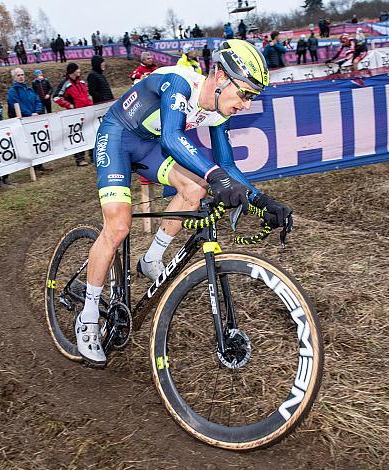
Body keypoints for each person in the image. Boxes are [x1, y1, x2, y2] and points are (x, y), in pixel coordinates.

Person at [76, 40, 292, 366]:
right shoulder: (180, 82)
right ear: (219, 76)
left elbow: (228, 167)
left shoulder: (218, 112)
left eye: (252, 97)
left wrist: (261, 201)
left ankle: (151, 258)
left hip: (149, 145)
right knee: (118, 226)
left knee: (196, 190)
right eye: (245, 94)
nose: (247, 104)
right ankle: (88, 315)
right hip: (118, 135)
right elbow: (173, 137)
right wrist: (217, 175)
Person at [54, 63, 93, 167]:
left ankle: (93, 156)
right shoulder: (66, 84)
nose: (79, 70)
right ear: (72, 71)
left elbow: (86, 94)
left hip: (88, 111)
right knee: (78, 135)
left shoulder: (82, 82)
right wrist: (70, 106)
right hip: (75, 114)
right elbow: (56, 97)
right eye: (77, 69)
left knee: (91, 133)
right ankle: (80, 159)